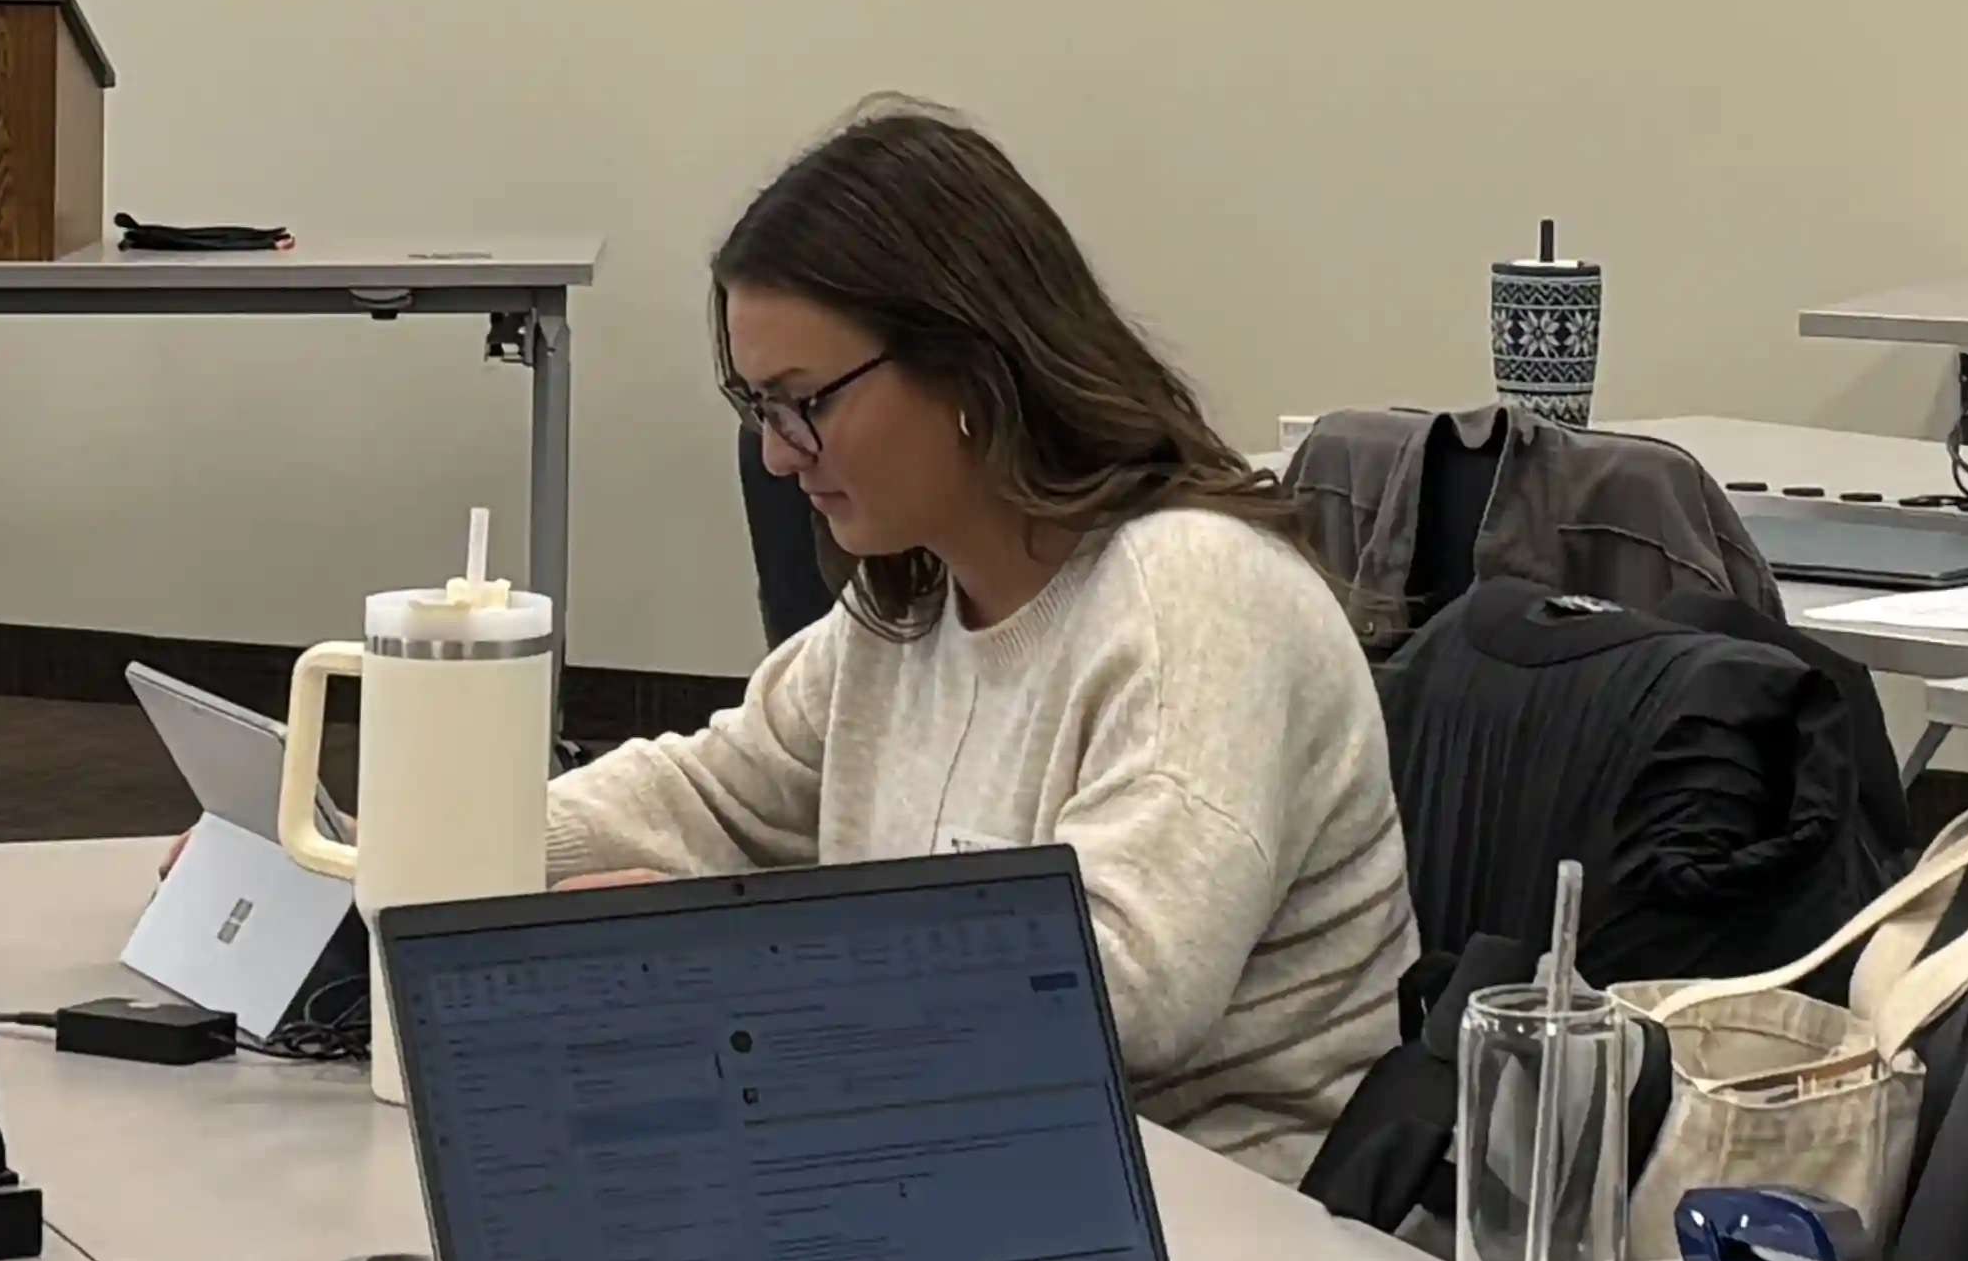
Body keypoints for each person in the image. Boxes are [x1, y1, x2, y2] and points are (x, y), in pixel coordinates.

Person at [549, 106, 1411, 1182]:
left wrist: (719, 960)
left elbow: (1117, 990)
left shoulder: (1196, 595)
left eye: (803, 404)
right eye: (757, 407)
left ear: (966, 366)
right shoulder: (907, 609)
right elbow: (707, 799)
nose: (777, 456)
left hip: (1220, 1222)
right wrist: (417, 842)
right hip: (977, 1177)